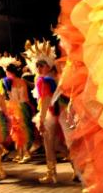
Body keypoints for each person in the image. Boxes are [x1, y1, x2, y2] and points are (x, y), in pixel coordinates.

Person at [22, 39, 69, 184]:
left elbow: (46, 101)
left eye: (41, 65)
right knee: (59, 143)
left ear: (48, 65)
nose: (38, 68)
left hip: (50, 113)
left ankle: (51, 173)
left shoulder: (43, 80)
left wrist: (41, 119)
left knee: (49, 144)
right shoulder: (54, 77)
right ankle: (75, 166)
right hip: (60, 113)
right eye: (37, 66)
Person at [0, 55, 34, 164]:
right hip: (23, 106)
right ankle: (22, 154)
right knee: (24, 130)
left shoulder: (4, 82)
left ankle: (24, 153)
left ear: (7, 71)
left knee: (17, 132)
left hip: (12, 107)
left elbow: (2, 96)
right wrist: (31, 107)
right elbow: (25, 97)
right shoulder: (21, 81)